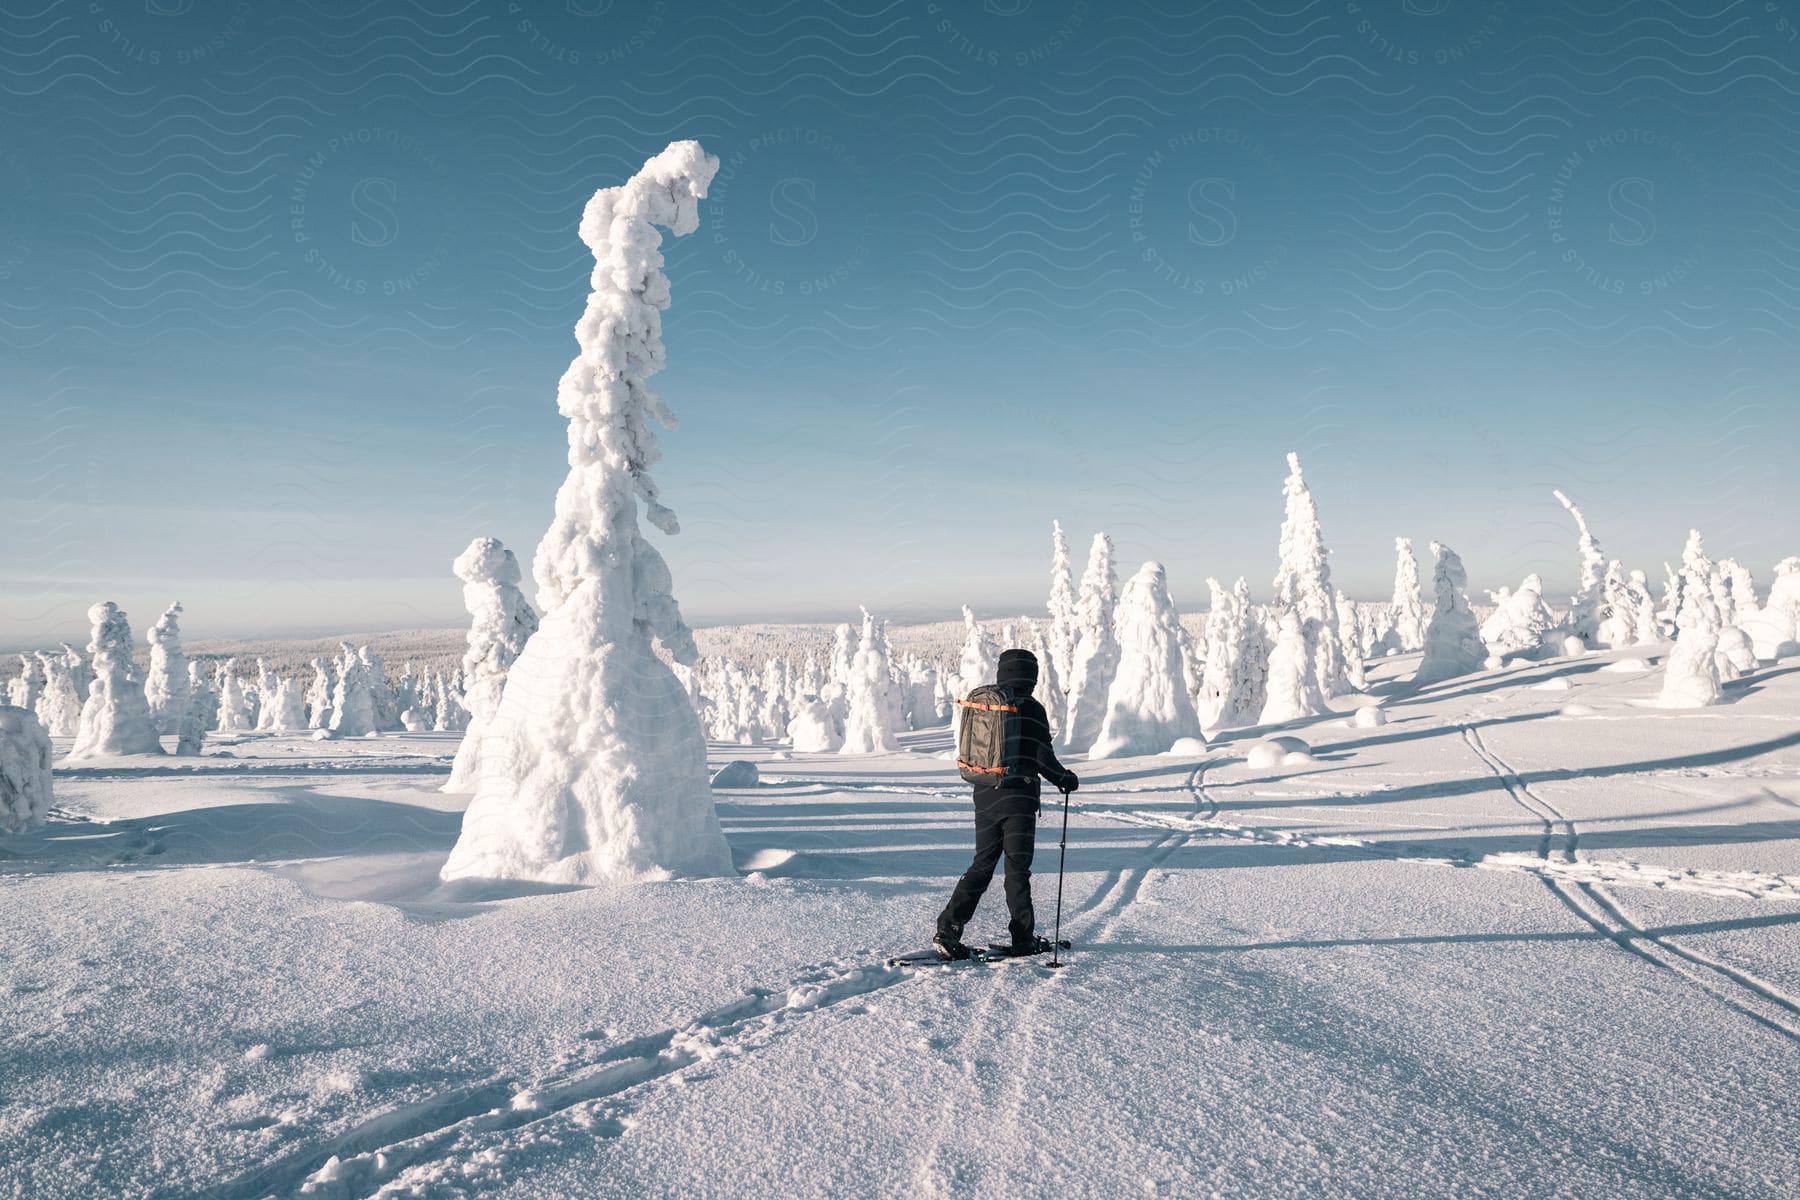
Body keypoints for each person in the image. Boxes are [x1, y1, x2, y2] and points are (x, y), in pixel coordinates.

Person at [935, 647, 1079, 960]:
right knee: (1017, 870)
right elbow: (1042, 757)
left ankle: (948, 930)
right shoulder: (1031, 708)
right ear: (1032, 676)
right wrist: (1065, 779)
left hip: (984, 795)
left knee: (982, 864)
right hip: (1019, 801)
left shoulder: (989, 704)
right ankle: (1023, 938)